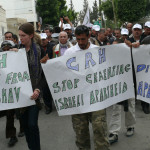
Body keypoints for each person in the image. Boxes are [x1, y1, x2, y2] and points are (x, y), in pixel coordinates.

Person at [64, 25, 110, 150]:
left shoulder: (97, 50)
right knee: (81, 134)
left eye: (83, 39)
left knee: (100, 131)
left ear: (89, 36)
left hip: (96, 98)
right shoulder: (70, 53)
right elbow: (62, 73)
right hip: (79, 100)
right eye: (78, 39)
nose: (80, 42)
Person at [18, 22, 42, 150]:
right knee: (25, 126)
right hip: (21, 96)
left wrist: (38, 89)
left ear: (31, 35)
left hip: (34, 94)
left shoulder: (38, 50)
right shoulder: (17, 50)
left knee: (32, 124)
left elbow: (42, 73)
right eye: (20, 35)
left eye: (23, 35)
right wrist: (12, 55)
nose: (21, 38)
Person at [108, 39, 136, 144]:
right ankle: (114, 132)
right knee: (116, 108)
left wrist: (132, 46)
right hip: (116, 86)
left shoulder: (130, 54)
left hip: (128, 84)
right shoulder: (109, 58)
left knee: (130, 107)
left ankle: (130, 126)